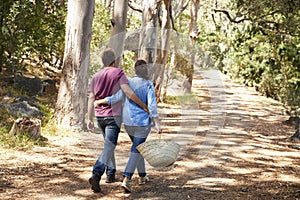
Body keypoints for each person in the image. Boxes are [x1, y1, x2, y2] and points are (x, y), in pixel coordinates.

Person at [94, 59, 162, 193]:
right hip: (142, 123)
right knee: (137, 149)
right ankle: (127, 178)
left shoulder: (128, 82)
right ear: (146, 71)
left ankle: (142, 176)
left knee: (138, 148)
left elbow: (117, 97)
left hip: (128, 122)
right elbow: (152, 106)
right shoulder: (148, 84)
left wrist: (102, 101)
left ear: (134, 70)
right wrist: (157, 124)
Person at [87, 49, 149, 193]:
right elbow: (127, 91)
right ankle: (97, 173)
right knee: (109, 146)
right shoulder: (118, 73)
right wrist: (143, 105)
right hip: (113, 115)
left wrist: (89, 118)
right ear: (114, 61)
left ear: (103, 62)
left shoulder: (96, 76)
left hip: (99, 116)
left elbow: (91, 98)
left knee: (108, 145)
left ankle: (110, 173)